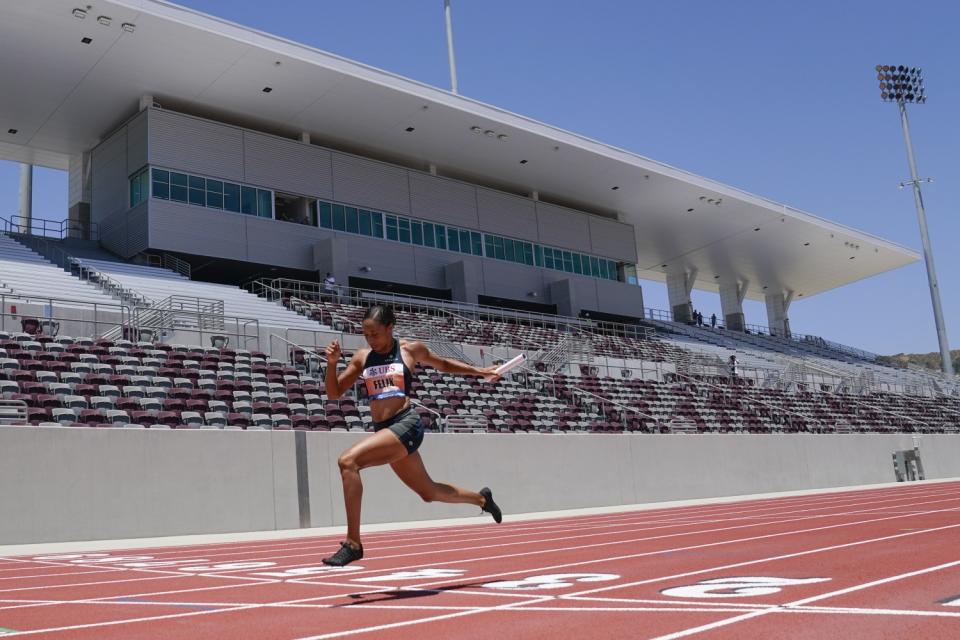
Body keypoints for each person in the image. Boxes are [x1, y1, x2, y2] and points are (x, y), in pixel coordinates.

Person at [321, 304, 503, 567]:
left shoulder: (409, 350)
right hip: (385, 431)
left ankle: (353, 543)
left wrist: (481, 371)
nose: (370, 339)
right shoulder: (362, 358)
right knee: (428, 492)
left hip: (406, 424)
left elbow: (443, 365)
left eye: (375, 333)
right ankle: (483, 499)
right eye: (365, 334)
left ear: (389, 328)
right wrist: (331, 364)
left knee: (348, 462)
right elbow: (334, 393)